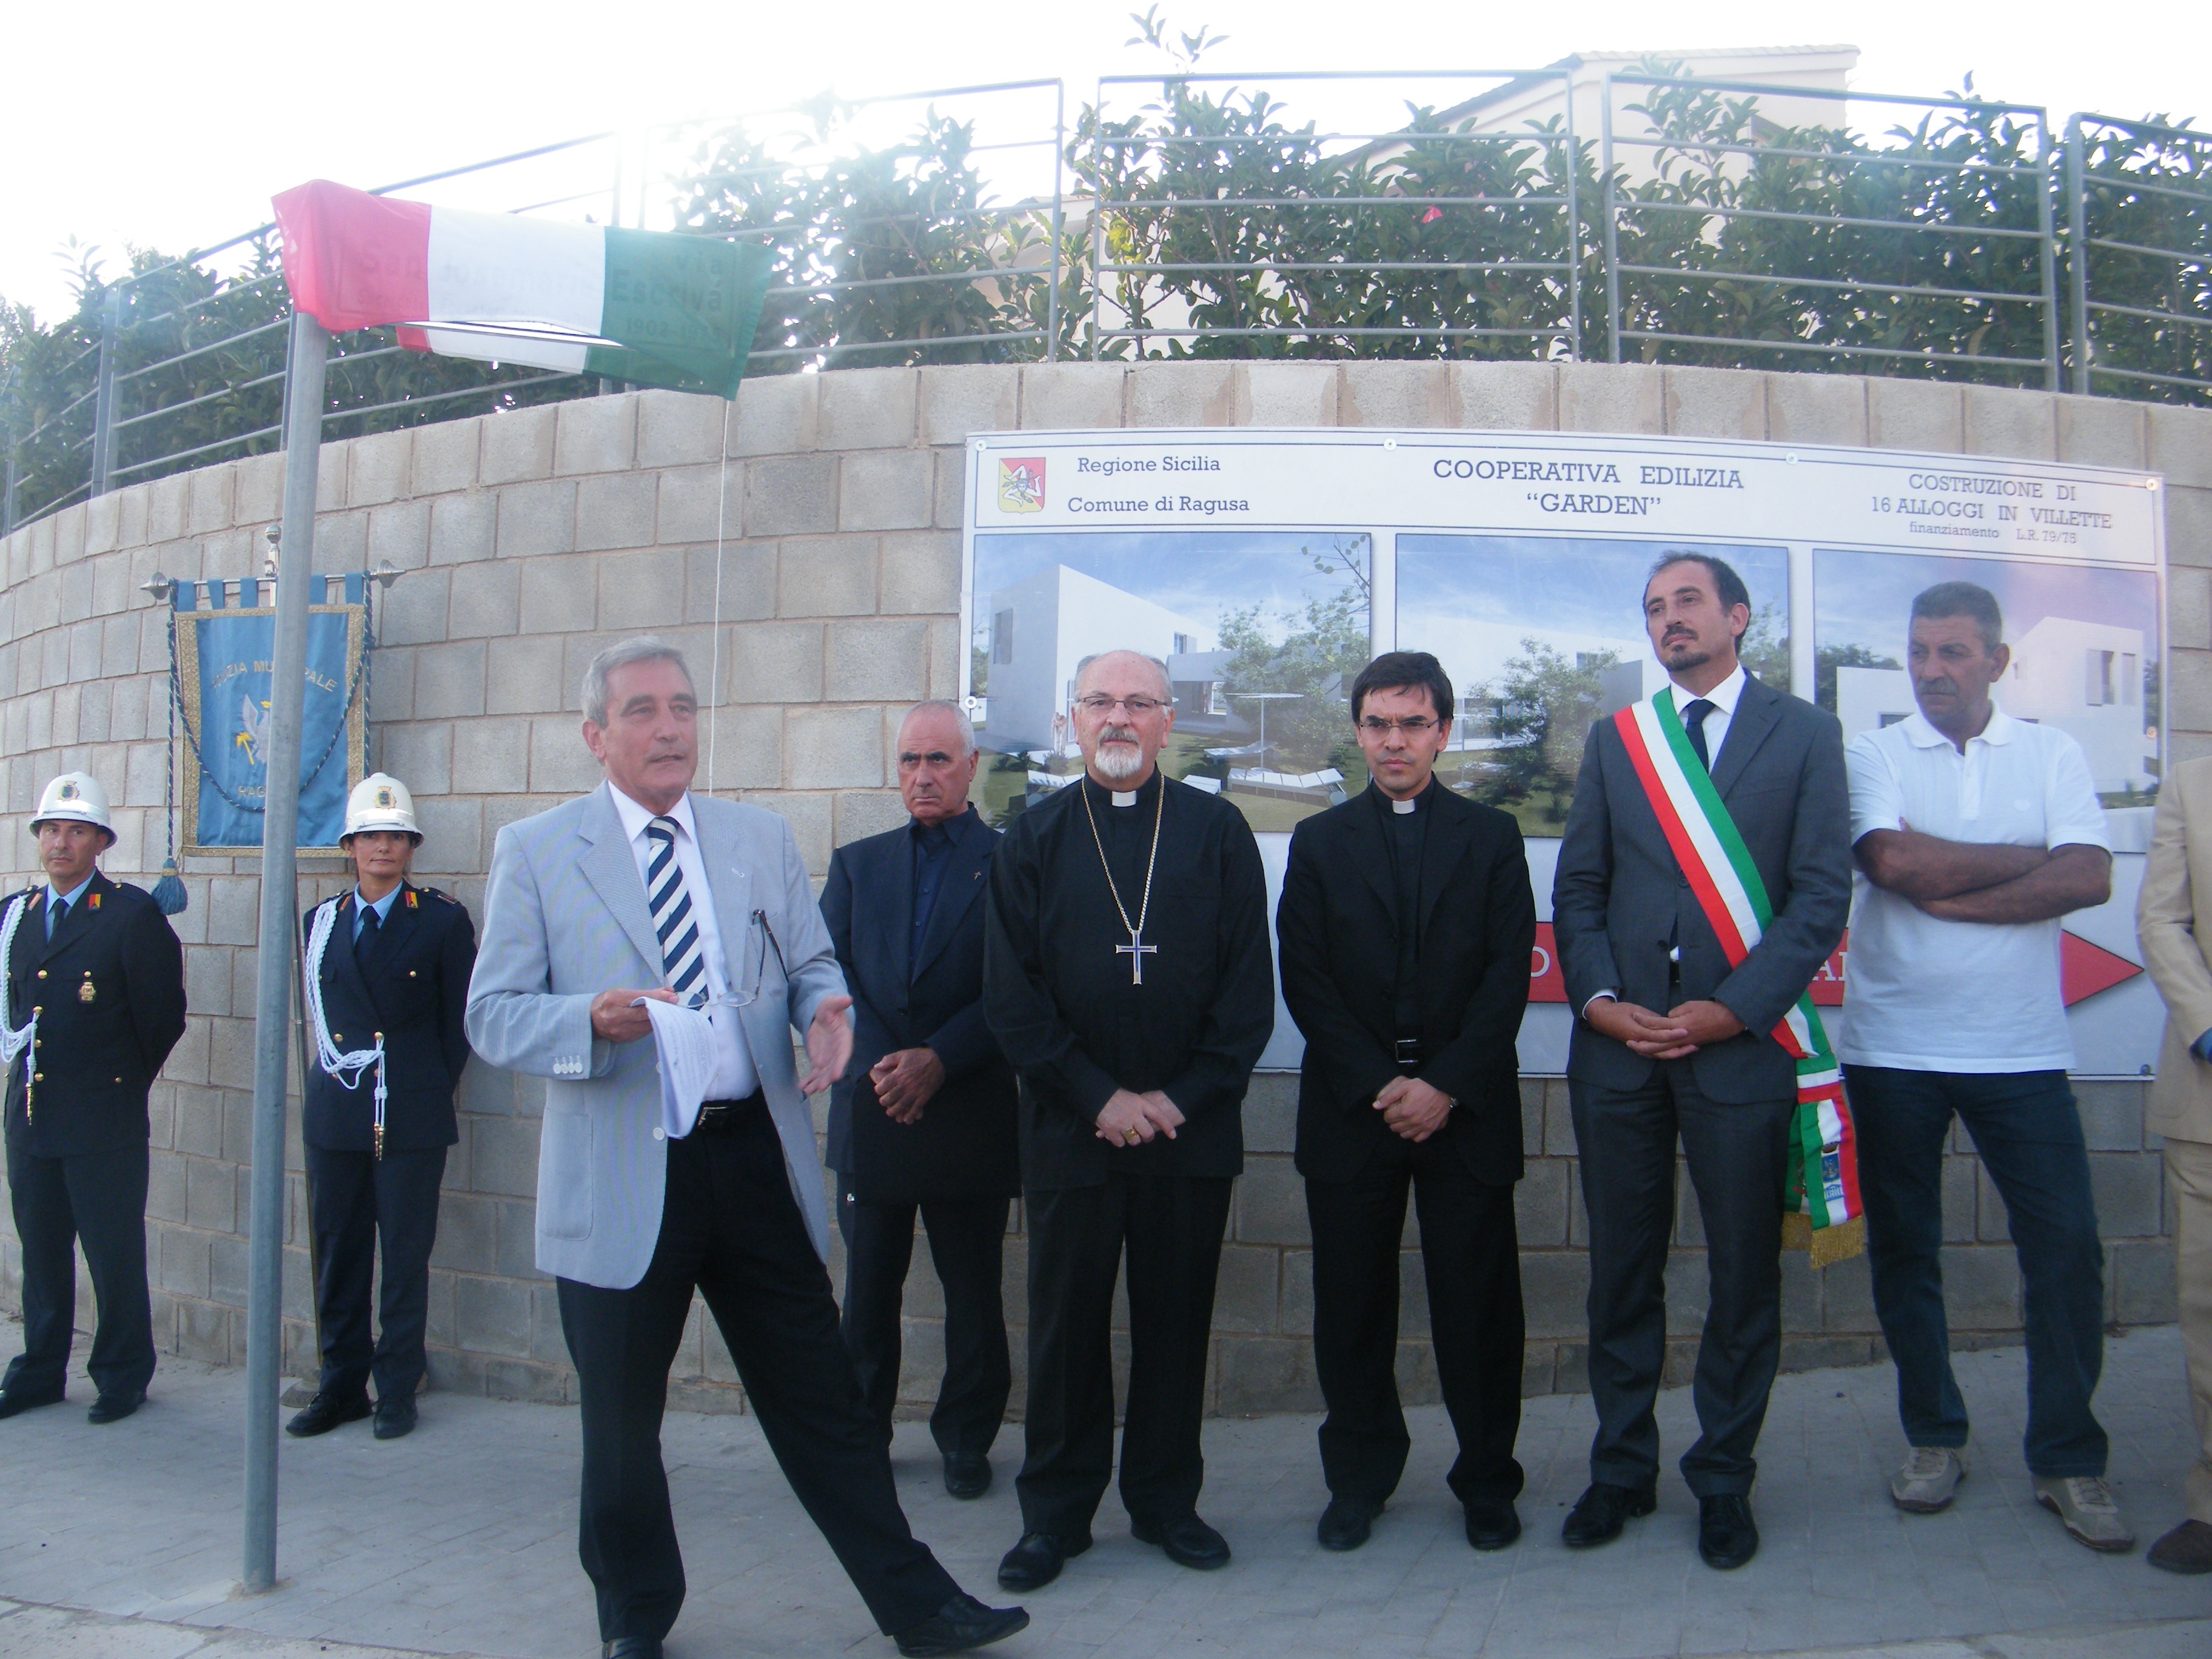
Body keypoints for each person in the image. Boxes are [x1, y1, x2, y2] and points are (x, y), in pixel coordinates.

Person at [464, 638, 1026, 1659]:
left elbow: (811, 963)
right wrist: (587, 1018)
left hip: (751, 1163)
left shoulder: (755, 839)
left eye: (682, 707)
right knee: (621, 1430)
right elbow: (492, 1014)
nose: (669, 727)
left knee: (826, 1405)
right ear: (596, 736)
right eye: (642, 710)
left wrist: (825, 1013)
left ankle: (918, 1608)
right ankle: (635, 1617)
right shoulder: (538, 851)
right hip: (625, 1174)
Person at [1552, 553, 1851, 1570]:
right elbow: (1580, 887)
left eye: (1686, 602)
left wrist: (1733, 1010)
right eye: (1653, 608)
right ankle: (1620, 1470)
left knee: (1742, 1276)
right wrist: (1599, 1003)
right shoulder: (1620, 739)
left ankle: (1723, 1479)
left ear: (1737, 615)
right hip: (1622, 1054)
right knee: (1620, 1273)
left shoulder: (1803, 733)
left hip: (1741, 1053)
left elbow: (1821, 893)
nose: (1668, 620)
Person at [1844, 581, 2129, 1553]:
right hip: (1893, 1050)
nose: (1933, 671)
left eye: (1955, 652)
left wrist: (1955, 887)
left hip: (2022, 1052)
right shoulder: (1876, 752)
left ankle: (2069, 1458)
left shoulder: (2052, 754)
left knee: (2068, 1252)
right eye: (1920, 652)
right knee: (1905, 1252)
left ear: (1998, 662)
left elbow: (2089, 875)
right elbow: (1893, 866)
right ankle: (1935, 1438)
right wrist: (2027, 860)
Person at [984, 649, 1275, 1590]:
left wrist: (1178, 1099)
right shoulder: (1031, 837)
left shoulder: (1217, 831)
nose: (1118, 718)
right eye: (1100, 702)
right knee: (1065, 1329)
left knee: (1176, 1325)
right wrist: (1096, 1096)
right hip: (1071, 1131)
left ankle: (1166, 1503)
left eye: (1139, 703)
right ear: (1072, 719)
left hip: (1189, 1132)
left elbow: (1246, 996)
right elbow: (1011, 998)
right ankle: (1054, 1516)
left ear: (1167, 721)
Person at [1276, 651, 1535, 1555]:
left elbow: (1507, 976)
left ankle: (1488, 1481)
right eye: (1379, 723)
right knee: (1352, 1309)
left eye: (1413, 723)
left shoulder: (1493, 837)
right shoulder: (1319, 842)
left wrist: (1444, 1085)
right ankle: (1359, 1480)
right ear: (1358, 733)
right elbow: (1305, 977)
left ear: (1443, 733)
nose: (1395, 741)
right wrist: (1384, 1085)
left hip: (1466, 1110)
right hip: (1356, 1111)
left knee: (1479, 1309)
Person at [821, 701, 1018, 1498]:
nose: (923, 776)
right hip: (875, 1107)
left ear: (971, 767)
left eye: (939, 760)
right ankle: (861, 1436)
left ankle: (967, 1440)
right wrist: (889, 1068)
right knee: (869, 1288)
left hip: (967, 1105)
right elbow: (828, 977)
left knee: (972, 1291)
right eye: (910, 760)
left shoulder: (1012, 864)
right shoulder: (857, 866)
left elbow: (1021, 984)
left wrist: (941, 1059)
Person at [287, 773, 475, 1443]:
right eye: (369, 836)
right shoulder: (319, 923)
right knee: (338, 1254)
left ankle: (396, 1388)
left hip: (409, 1110)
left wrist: (422, 1086)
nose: (383, 847)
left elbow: (457, 1026)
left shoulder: (443, 920)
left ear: (411, 847)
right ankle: (340, 1386)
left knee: (403, 1257)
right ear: (349, 846)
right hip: (338, 1110)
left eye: (396, 836)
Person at [0, 772, 186, 1426]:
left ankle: (122, 1374)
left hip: (103, 1118)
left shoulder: (130, 915)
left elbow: (162, 1017)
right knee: (41, 1250)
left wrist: (118, 1084)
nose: (60, 842)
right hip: (32, 1114)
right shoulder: (15, 915)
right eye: (51, 830)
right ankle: (40, 1371)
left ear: (101, 842)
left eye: (77, 831)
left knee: (111, 1253)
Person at [2137, 752, 2212, 1574]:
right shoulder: (2193, 783)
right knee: (2208, 1311)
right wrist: (2206, 1025)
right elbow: (2162, 920)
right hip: (2210, 1098)